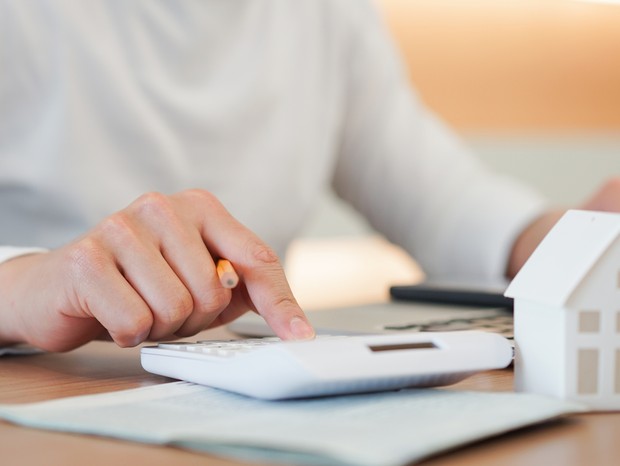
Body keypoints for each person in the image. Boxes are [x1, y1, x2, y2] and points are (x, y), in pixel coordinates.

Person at [0, 0, 618, 353]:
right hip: (40, 397)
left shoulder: (322, 13)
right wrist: (22, 284)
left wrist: (582, 243)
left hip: (236, 401)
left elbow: (439, 196)